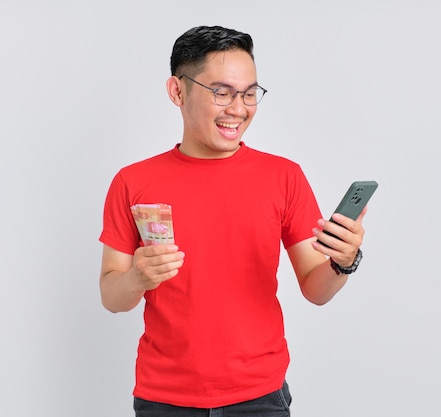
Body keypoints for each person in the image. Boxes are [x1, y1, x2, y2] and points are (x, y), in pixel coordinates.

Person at [99, 25, 369, 416]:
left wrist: (344, 261)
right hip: (164, 398)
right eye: (221, 92)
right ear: (178, 91)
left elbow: (316, 288)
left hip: (260, 398)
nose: (238, 109)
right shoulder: (133, 181)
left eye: (248, 93)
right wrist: (139, 277)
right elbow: (112, 297)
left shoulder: (284, 177)